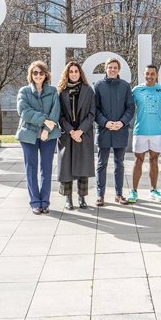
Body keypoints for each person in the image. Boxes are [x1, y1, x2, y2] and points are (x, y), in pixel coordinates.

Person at [16, 60, 60, 215]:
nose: (38, 75)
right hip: (28, 134)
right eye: (35, 72)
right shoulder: (24, 91)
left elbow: (56, 112)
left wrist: (47, 129)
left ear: (45, 74)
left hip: (49, 134)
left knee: (46, 169)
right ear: (31, 75)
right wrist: (43, 120)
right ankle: (35, 202)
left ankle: (45, 201)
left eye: (41, 72)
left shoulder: (53, 91)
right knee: (31, 168)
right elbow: (24, 112)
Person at [94, 57, 135, 206]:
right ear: (105, 68)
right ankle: (100, 195)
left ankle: (119, 194)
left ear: (118, 70)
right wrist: (106, 122)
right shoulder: (98, 86)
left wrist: (121, 122)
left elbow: (130, 107)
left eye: (115, 68)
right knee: (101, 164)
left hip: (120, 131)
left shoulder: (125, 86)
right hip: (104, 130)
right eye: (110, 67)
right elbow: (95, 109)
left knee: (119, 163)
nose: (112, 70)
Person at [56, 61, 95, 210]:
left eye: (76, 71)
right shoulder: (61, 91)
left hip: (83, 134)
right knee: (66, 168)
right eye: (71, 71)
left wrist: (80, 131)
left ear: (80, 73)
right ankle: (68, 198)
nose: (73, 74)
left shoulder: (88, 90)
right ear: (67, 74)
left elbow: (92, 114)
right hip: (67, 134)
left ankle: (82, 197)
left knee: (82, 167)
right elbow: (59, 115)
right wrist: (71, 131)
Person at [128, 64, 161, 203]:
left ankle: (153, 190)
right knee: (138, 160)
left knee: (154, 160)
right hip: (140, 131)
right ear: (144, 74)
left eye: (152, 74)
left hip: (156, 131)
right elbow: (128, 107)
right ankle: (133, 191)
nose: (149, 76)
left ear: (156, 75)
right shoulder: (136, 90)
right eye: (147, 74)